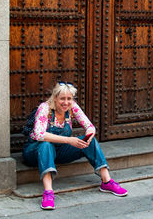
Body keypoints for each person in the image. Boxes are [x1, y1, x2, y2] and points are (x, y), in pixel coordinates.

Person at [22, 82, 128, 210]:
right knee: (46, 145)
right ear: (55, 98)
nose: (66, 102)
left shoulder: (72, 107)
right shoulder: (45, 108)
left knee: (92, 141)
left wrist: (89, 135)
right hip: (35, 152)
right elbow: (39, 134)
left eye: (69, 99)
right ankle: (48, 193)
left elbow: (90, 126)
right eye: (62, 99)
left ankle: (107, 181)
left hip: (59, 151)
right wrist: (68, 140)